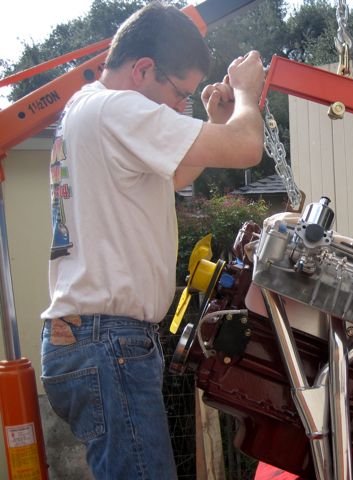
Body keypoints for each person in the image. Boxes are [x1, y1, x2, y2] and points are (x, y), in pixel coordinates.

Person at [40, 2, 265, 479]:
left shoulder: (84, 110)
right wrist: (248, 94)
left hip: (88, 339)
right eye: (180, 93)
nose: (181, 108)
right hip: (109, 342)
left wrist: (213, 122)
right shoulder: (117, 108)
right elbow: (248, 147)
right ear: (143, 69)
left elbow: (173, 173)